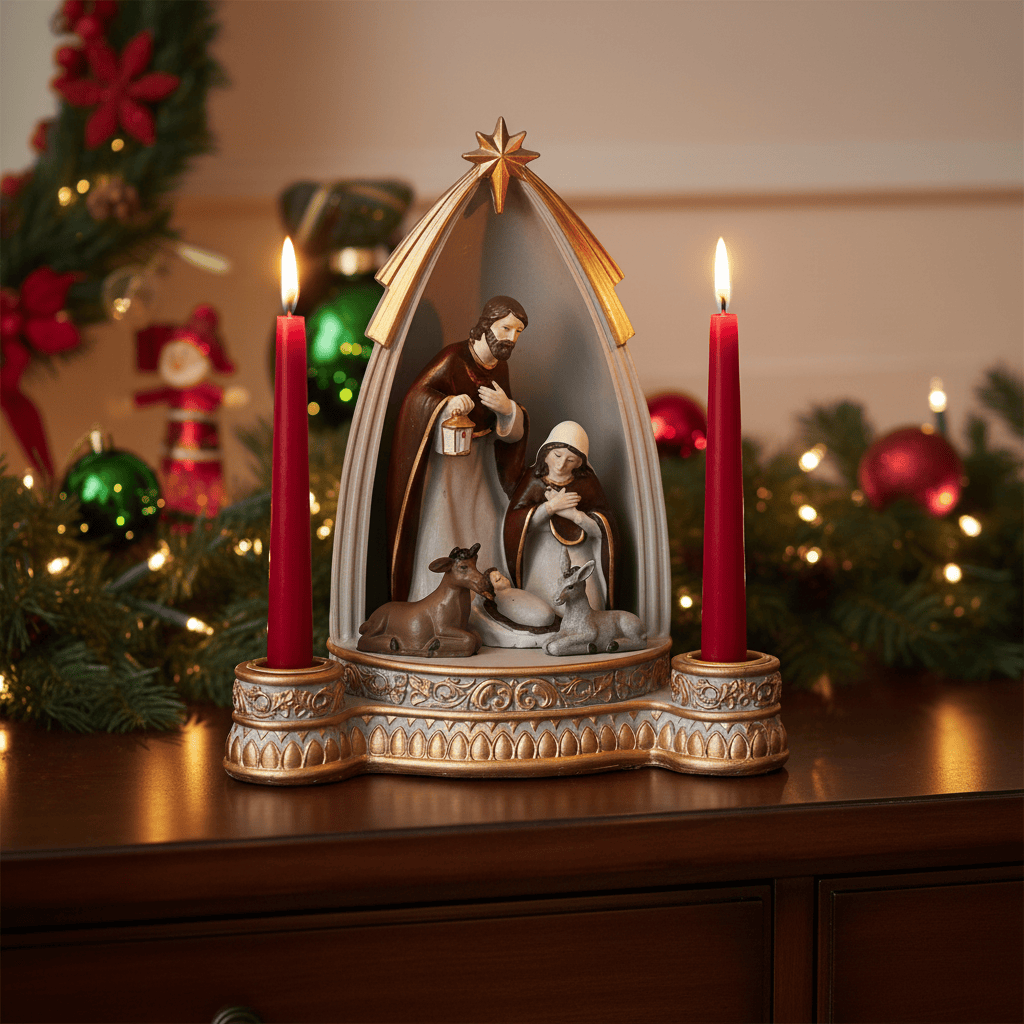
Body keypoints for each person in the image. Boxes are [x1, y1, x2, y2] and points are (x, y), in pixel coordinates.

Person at [386, 296, 530, 601]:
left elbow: (506, 433)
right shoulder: (453, 358)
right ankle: (435, 599)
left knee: (486, 523)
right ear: (487, 323)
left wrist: (507, 410)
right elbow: (416, 398)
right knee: (443, 526)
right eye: (505, 328)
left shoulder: (499, 367)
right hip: (446, 470)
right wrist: (445, 404)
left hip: (481, 467)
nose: (511, 338)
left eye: (518, 332)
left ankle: (484, 597)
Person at [503, 421, 618, 612]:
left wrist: (575, 516)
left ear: (580, 462)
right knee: (545, 609)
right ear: (545, 453)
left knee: (592, 608)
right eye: (557, 455)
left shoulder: (587, 482)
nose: (561, 464)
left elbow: (604, 530)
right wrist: (550, 507)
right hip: (542, 554)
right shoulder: (534, 480)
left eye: (570, 460)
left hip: (579, 554)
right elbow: (515, 523)